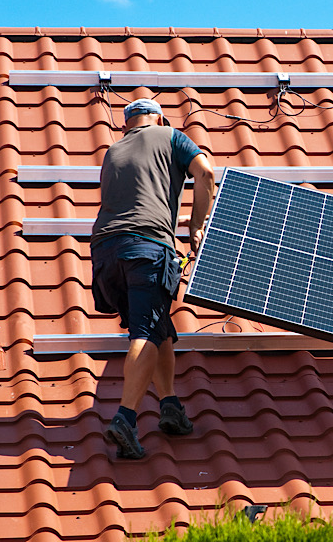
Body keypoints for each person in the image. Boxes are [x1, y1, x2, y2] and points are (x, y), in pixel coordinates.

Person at [91, 98, 215, 459]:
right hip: (146, 247)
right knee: (144, 333)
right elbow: (205, 174)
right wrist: (194, 226)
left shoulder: (113, 150)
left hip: (105, 255)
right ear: (159, 118)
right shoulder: (171, 136)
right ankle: (126, 419)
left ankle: (170, 406)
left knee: (158, 325)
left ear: (127, 124)